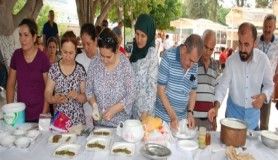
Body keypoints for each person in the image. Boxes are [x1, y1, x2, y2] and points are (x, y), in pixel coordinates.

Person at [208, 22, 273, 130]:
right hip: (231, 120)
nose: (242, 49)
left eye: (246, 44)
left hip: (252, 121)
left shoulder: (263, 60)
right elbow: (222, 87)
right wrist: (216, 107)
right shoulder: (231, 61)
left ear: (254, 43)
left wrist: (263, 96)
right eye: (240, 43)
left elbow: (269, 86)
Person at [86, 28, 136, 127]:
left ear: (116, 50)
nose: (104, 60)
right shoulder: (94, 63)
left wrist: (115, 109)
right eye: (102, 55)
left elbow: (132, 93)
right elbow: (89, 90)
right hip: (99, 124)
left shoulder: (124, 65)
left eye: (108, 57)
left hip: (120, 125)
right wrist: (94, 106)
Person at [155, 34, 204, 131]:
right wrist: (173, 116)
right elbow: (160, 90)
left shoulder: (194, 66)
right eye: (190, 60)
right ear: (185, 48)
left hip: (181, 122)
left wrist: (190, 112)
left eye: (194, 62)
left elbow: (193, 92)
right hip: (162, 121)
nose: (191, 65)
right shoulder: (168, 57)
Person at [6, 18, 50, 122]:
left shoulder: (43, 58)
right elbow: (10, 84)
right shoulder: (16, 55)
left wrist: (43, 115)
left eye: (26, 35)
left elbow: (48, 90)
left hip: (40, 114)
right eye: (20, 35)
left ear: (34, 37)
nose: (22, 39)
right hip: (20, 114)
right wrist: (10, 111)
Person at [45, 31, 87, 125]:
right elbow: (47, 93)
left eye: (71, 53)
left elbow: (85, 97)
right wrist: (54, 99)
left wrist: (77, 95)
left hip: (78, 122)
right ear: (60, 50)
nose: (68, 56)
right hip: (60, 121)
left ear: (76, 51)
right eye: (65, 52)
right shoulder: (54, 69)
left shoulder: (80, 70)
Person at [129, 14, 159, 120]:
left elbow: (152, 86)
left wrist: (145, 112)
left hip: (146, 113)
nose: (139, 39)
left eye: (143, 36)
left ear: (149, 35)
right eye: (137, 34)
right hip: (132, 109)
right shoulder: (134, 50)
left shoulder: (152, 54)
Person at [194, 30, 219, 130]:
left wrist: (215, 118)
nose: (207, 52)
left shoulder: (215, 66)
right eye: (205, 47)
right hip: (193, 118)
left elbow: (215, 92)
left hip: (209, 119)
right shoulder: (193, 62)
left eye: (211, 49)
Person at [256, 14, 278, 130]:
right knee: (251, 117)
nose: (267, 29)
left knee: (264, 121)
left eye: (270, 27)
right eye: (265, 26)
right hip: (254, 83)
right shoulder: (256, 40)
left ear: (274, 27)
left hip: (268, 86)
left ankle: (262, 146)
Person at [75, 23, 98, 127]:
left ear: (96, 40)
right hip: (85, 112)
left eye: (89, 44)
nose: (86, 48)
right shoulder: (78, 59)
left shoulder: (104, 56)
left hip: (104, 111)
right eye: (83, 44)